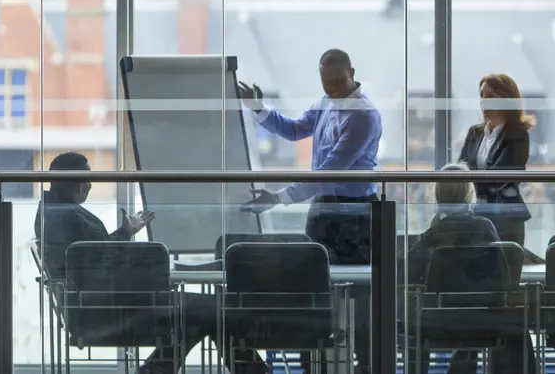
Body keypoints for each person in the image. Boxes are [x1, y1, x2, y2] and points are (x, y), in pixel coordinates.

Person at [34, 152, 268, 374]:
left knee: (204, 312)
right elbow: (97, 261)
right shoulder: (63, 216)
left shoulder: (57, 212)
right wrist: (136, 254)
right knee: (210, 310)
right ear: (66, 181)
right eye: (84, 179)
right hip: (106, 307)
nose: (89, 186)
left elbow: (97, 256)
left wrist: (126, 235)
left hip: (104, 301)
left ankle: (155, 370)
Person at [236, 48, 382, 374]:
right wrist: (259, 109)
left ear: (352, 72)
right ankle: (313, 366)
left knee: (359, 303)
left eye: (336, 81)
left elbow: (328, 172)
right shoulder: (326, 103)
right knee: (313, 292)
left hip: (356, 217)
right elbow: (293, 130)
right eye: (325, 81)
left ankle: (366, 367)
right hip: (325, 212)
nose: (330, 87)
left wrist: (277, 198)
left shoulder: (363, 115)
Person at [405, 163, 537, 374]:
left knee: (410, 320)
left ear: (438, 196)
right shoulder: (485, 227)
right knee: (518, 324)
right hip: (483, 321)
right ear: (470, 195)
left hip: (439, 325)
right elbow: (503, 277)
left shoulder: (433, 236)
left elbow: (406, 271)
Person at [457, 73, 533, 247]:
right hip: (475, 214)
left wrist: (472, 179)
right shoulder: (474, 132)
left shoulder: (518, 134)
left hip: (506, 216)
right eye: (482, 96)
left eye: (490, 96)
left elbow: (499, 177)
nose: (484, 101)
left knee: (506, 268)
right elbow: (461, 168)